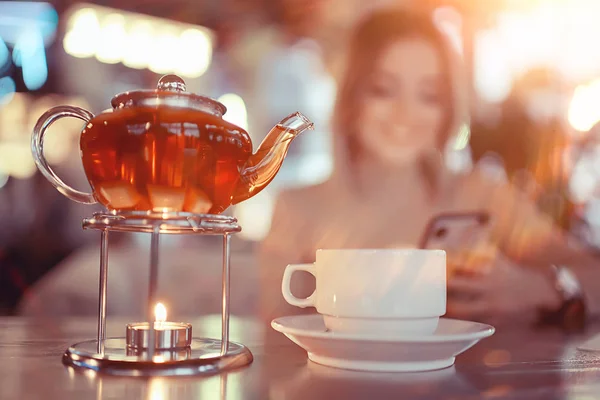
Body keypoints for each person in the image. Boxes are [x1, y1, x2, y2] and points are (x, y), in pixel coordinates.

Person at [258, 8, 600, 329]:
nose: (406, 112)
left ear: (447, 108)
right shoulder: (297, 209)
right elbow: (276, 338)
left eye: (429, 95)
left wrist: (538, 288)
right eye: (383, 89)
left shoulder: (483, 195)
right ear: (351, 97)